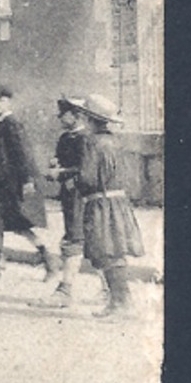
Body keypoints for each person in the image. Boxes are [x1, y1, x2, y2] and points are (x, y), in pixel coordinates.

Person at [71, 95, 145, 318]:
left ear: (90, 119)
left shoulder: (91, 142)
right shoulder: (115, 141)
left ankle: (121, 303)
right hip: (118, 201)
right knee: (114, 250)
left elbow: (87, 179)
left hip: (101, 203)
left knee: (106, 251)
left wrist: (69, 178)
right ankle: (120, 302)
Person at [0, 85, 59, 281]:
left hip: (10, 183)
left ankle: (49, 259)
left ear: (9, 102)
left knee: (21, 225)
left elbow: (23, 153)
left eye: (1, 100)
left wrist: (27, 180)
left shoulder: (12, 123)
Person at [38, 96, 92, 308]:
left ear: (77, 115)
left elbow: (85, 170)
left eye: (63, 113)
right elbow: (61, 159)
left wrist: (60, 173)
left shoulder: (86, 139)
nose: (60, 117)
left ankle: (65, 290)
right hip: (69, 196)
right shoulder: (65, 138)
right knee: (81, 238)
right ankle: (107, 289)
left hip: (81, 195)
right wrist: (55, 163)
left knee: (75, 238)